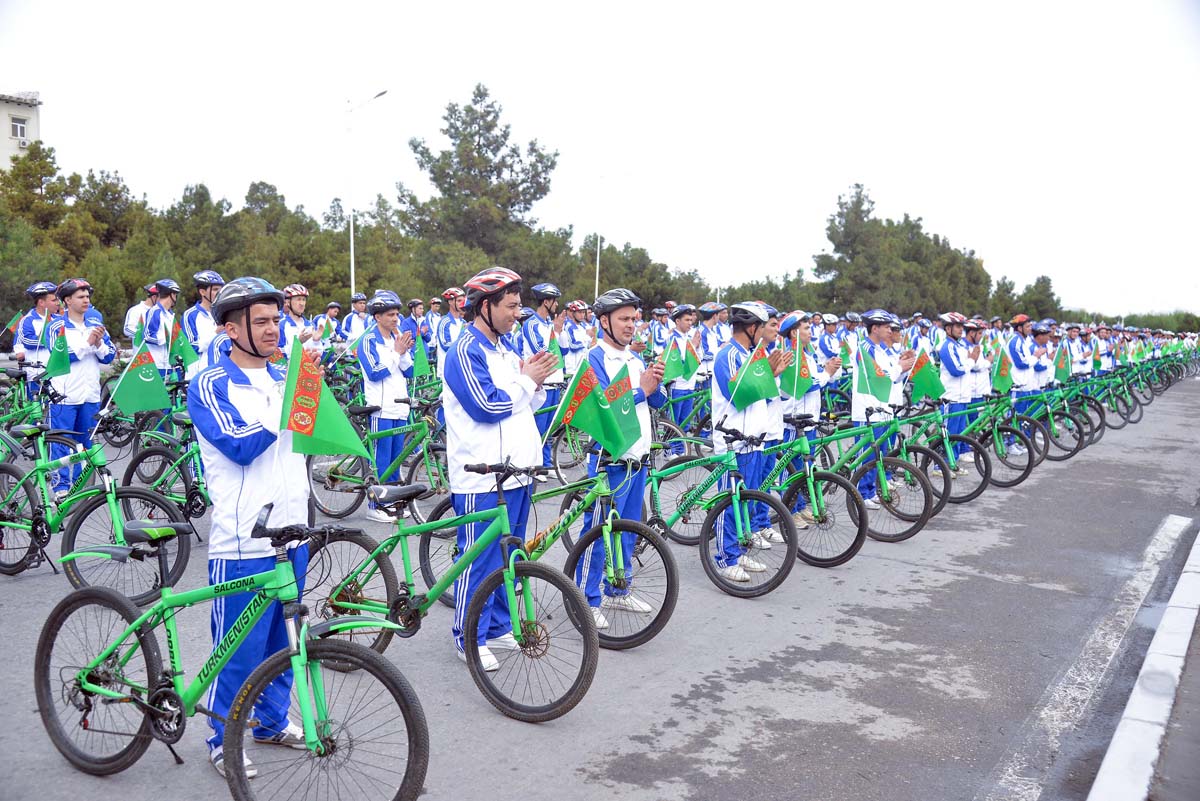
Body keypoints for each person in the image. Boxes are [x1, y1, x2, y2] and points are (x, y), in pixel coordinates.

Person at [187, 277, 311, 778]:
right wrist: (288, 407)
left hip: (292, 528)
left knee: (285, 642)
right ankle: (223, 737)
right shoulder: (210, 381)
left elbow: (307, 436)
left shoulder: (284, 375)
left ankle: (270, 720)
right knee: (237, 652)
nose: (272, 329)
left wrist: (310, 390)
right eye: (260, 321)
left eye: (276, 320)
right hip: (244, 538)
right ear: (230, 327)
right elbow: (238, 444)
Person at [442, 266, 556, 671]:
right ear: (485, 306)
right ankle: (468, 635)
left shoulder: (507, 349)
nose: (517, 312)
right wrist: (527, 382)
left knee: (510, 557)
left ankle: (498, 627)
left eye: (519, 304)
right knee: (480, 561)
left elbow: (524, 403)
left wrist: (537, 385)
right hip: (481, 475)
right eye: (510, 305)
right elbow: (487, 406)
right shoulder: (464, 350)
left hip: (517, 471)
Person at [575, 288, 666, 628]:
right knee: (599, 531)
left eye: (634, 319)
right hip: (609, 460)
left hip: (637, 456)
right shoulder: (594, 359)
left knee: (628, 530)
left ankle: (619, 587)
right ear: (604, 321)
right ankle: (587, 599)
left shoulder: (634, 358)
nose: (632, 325)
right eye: (624, 319)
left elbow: (653, 402)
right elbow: (602, 408)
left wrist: (657, 384)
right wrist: (641, 389)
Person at [709, 302, 791, 581]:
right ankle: (724, 557)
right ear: (751, 327)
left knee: (746, 500)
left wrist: (771, 374)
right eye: (763, 325)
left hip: (754, 439)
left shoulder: (751, 354)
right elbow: (736, 393)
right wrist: (766, 373)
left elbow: (764, 396)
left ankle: (739, 549)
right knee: (730, 503)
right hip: (733, 441)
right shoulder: (727, 355)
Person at [48, 279, 116, 493]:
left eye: (87, 296)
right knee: (62, 443)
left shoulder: (95, 325)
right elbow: (61, 357)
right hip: (65, 396)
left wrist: (98, 343)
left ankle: (81, 486)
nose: (86, 300)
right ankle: (60, 487)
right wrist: (88, 344)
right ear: (67, 300)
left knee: (86, 445)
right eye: (81, 296)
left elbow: (110, 356)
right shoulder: (56, 326)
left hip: (90, 396)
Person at [357, 291, 414, 522]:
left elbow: (409, 371)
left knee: (395, 461)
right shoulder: (368, 340)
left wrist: (403, 351)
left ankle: (389, 503)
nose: (395, 318)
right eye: (390, 314)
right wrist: (396, 353)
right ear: (377, 317)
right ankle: (374, 505)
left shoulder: (395, 338)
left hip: (399, 407)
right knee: (381, 462)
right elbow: (374, 372)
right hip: (380, 408)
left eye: (397, 314)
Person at [851, 310, 916, 507]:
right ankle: (860, 494)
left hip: (882, 409)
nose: (890, 330)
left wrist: (904, 365)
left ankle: (869, 491)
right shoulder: (864, 348)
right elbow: (878, 376)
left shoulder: (880, 350)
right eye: (886, 326)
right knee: (867, 456)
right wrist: (900, 367)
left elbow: (893, 377)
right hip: (868, 410)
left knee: (879, 454)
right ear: (874, 328)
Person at [520, 283, 566, 467]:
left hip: (555, 382)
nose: (556, 305)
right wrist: (553, 333)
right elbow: (541, 351)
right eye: (554, 301)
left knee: (549, 429)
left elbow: (564, 350)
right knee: (537, 428)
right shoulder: (531, 324)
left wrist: (558, 331)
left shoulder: (550, 324)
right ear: (546, 301)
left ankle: (545, 464)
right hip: (541, 384)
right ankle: (534, 464)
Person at [936, 312, 975, 470]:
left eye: (961, 327)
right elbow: (957, 370)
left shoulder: (959, 345)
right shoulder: (946, 346)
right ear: (948, 328)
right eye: (957, 326)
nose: (961, 330)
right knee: (948, 434)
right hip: (951, 397)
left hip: (963, 396)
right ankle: (940, 467)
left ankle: (953, 464)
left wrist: (970, 361)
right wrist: (972, 360)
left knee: (958, 434)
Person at [665, 304, 701, 453]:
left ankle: (680, 450)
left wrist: (695, 346)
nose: (690, 322)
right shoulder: (672, 338)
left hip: (689, 384)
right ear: (677, 321)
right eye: (686, 319)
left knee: (685, 422)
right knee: (674, 421)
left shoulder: (689, 337)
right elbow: (679, 361)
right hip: (677, 385)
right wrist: (692, 346)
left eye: (691, 319)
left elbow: (700, 357)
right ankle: (669, 450)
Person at [14, 281, 59, 397]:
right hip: (36, 374)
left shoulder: (59, 319)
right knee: (36, 412)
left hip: (57, 373)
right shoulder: (28, 320)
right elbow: (28, 341)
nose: (58, 303)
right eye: (54, 300)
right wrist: (53, 340)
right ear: (41, 302)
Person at [181, 270, 226, 376]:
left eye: (221, 290)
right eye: (215, 290)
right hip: (199, 373)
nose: (219, 293)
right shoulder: (190, 315)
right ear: (202, 292)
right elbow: (191, 346)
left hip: (222, 371)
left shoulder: (224, 313)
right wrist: (216, 333)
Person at [144, 278, 181, 376]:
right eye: (175, 295)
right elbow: (148, 336)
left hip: (169, 364)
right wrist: (166, 339)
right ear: (172, 295)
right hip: (156, 364)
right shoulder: (155, 311)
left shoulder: (170, 314)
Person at [435, 287, 467, 379]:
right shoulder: (444, 322)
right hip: (447, 372)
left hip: (461, 370)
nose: (462, 304)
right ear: (450, 302)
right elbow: (446, 346)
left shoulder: (464, 322)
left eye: (463, 301)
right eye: (459, 301)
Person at [278, 284, 312, 355]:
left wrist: (317, 341)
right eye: (298, 299)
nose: (302, 303)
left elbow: (318, 354)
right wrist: (298, 343)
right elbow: (278, 355)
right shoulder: (281, 325)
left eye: (304, 299)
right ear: (288, 302)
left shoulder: (311, 325)